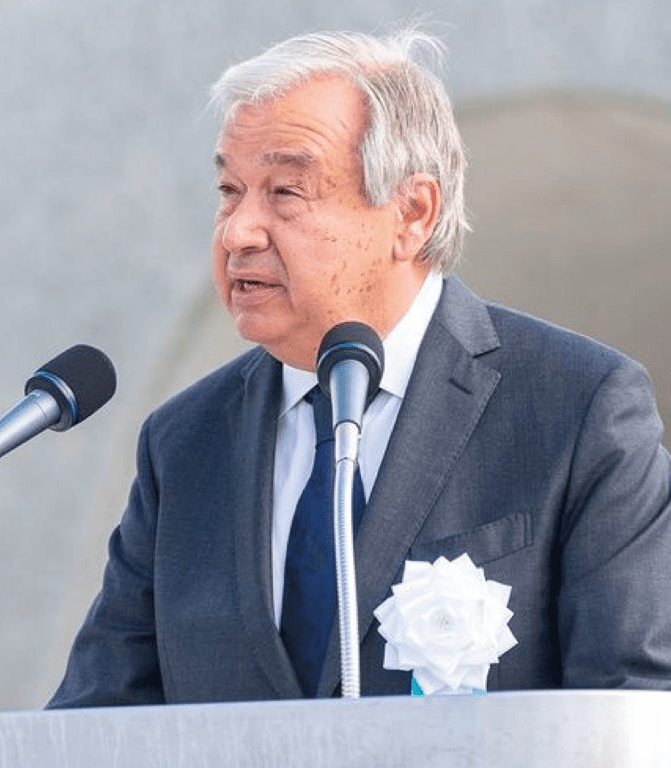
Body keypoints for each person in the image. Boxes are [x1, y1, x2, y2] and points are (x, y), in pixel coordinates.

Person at [47, 27, 671, 708]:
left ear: (411, 212)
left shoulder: (576, 407)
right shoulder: (183, 442)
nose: (238, 231)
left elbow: (632, 706)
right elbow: (94, 718)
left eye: (285, 192)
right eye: (229, 190)